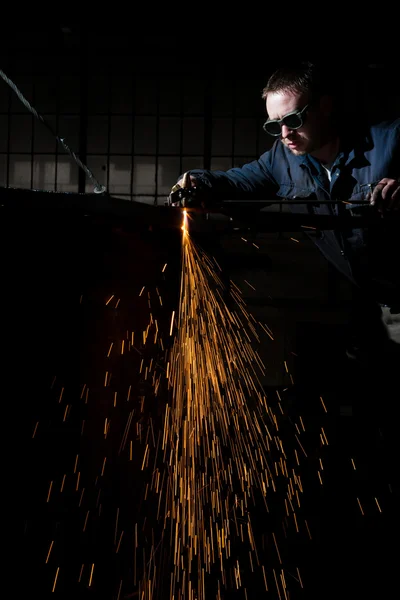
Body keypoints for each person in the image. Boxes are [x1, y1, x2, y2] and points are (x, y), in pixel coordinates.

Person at [169, 61, 400, 356]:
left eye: (294, 119)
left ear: (325, 107)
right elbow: (237, 183)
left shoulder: (391, 141)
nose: (285, 133)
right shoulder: (283, 159)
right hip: (376, 303)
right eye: (274, 124)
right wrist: (196, 182)